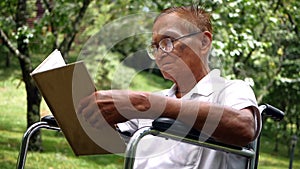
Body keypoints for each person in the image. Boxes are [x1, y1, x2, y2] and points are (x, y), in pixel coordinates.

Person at [78, 5, 261, 169]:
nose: (160, 54)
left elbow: (245, 127)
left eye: (168, 41)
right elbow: (109, 138)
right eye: (155, 46)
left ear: (204, 42)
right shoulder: (159, 98)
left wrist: (149, 104)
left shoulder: (230, 90)